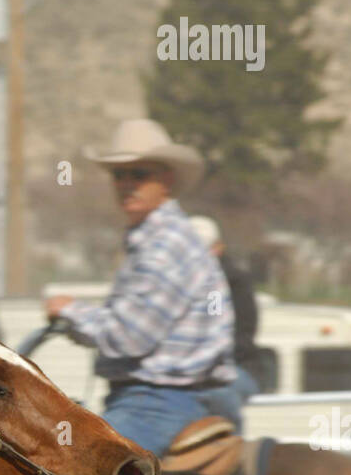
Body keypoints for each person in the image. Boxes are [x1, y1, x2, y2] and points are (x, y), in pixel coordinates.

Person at [45, 119, 239, 455]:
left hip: (157, 401)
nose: (127, 184)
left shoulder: (165, 245)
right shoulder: (153, 238)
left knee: (76, 471)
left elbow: (129, 336)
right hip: (152, 396)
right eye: (119, 175)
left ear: (166, 181)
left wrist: (69, 311)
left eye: (140, 175)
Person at [189, 214, 265, 403]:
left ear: (218, 248)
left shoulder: (223, 285)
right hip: (194, 368)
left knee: (218, 396)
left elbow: (218, 327)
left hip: (234, 367)